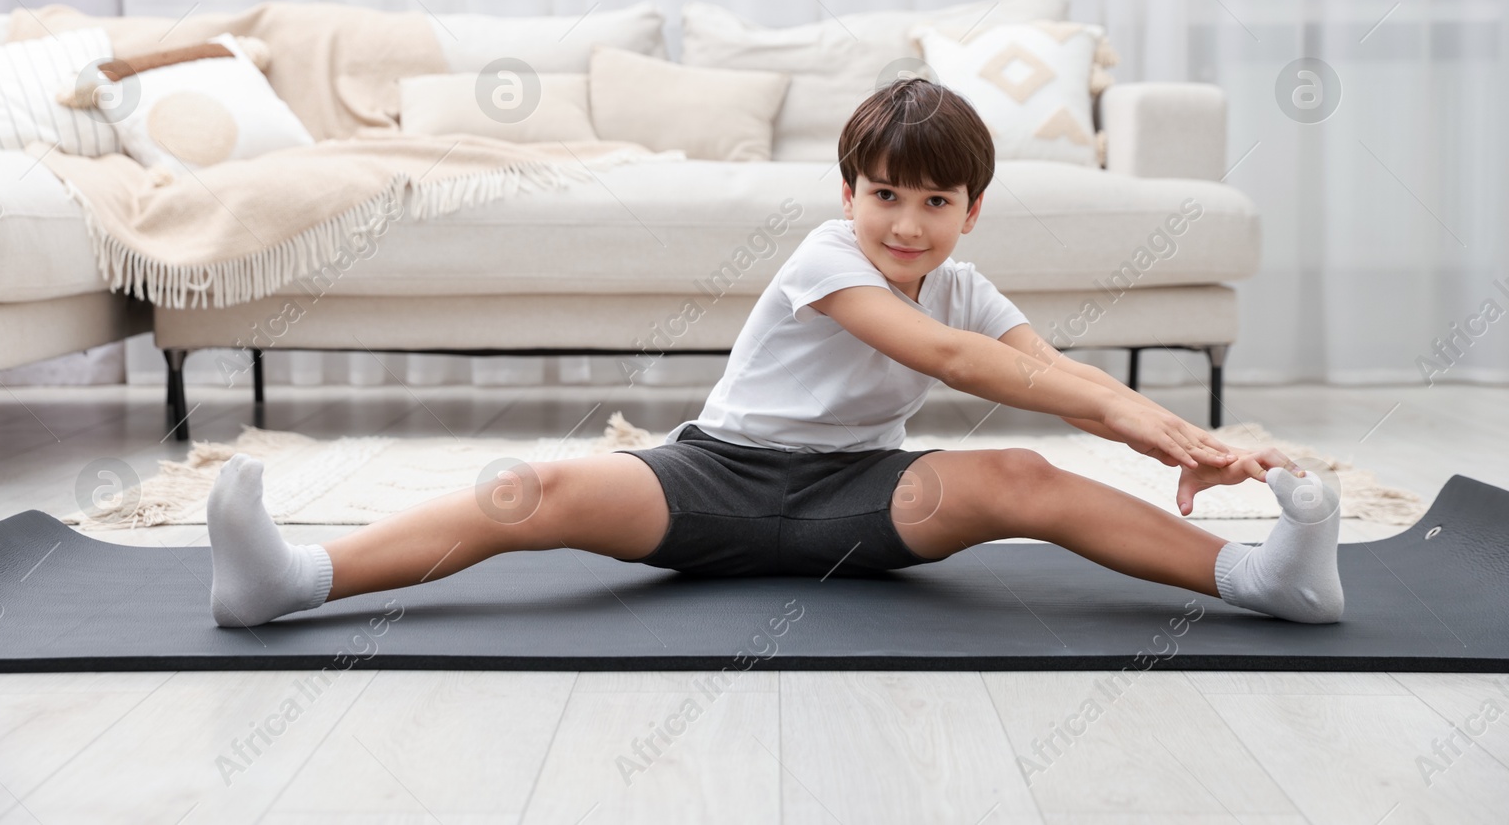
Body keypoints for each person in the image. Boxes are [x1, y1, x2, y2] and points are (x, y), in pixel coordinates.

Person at [204, 78, 1343, 628]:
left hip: (865, 503)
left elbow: (1058, 375)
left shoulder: (966, 280)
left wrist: (1189, 438)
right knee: (527, 485)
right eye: (882, 194)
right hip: (714, 479)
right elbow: (954, 360)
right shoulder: (820, 257)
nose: (905, 222)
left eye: (933, 200)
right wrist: (1143, 421)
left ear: (972, 210)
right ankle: (295, 576)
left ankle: (1256, 575)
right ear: (845, 194)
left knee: (1028, 476)